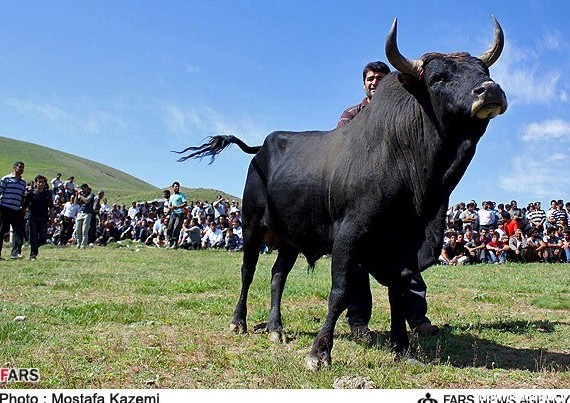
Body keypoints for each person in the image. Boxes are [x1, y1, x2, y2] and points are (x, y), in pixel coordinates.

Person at [336, 61, 438, 339]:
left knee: (408, 258)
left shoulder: (406, 110)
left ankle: (418, 319)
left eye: (380, 77)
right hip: (362, 201)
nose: (375, 81)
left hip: (397, 200)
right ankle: (358, 324)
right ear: (364, 83)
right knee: (356, 263)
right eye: (370, 78)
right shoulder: (351, 114)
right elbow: (342, 151)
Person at [0, 162, 26, 259]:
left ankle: (15, 253)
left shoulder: (23, 182)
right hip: (4, 208)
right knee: (1, 231)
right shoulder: (6, 179)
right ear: (14, 168)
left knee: (18, 232)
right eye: (20, 167)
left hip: (16, 210)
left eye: (23, 168)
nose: (21, 169)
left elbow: (22, 197)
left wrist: (22, 209)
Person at [24, 175, 54, 260]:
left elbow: (51, 207)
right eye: (39, 182)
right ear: (36, 183)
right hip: (33, 217)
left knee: (43, 238)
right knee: (33, 237)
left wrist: (52, 219)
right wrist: (22, 215)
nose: (41, 184)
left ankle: (34, 249)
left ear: (45, 183)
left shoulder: (48, 194)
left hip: (43, 218)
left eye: (42, 182)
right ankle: (33, 254)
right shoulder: (31, 193)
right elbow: (25, 206)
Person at [166, 182, 187, 248]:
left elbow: (185, 204)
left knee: (176, 228)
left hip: (180, 213)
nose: (177, 188)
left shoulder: (181, 195)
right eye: (175, 186)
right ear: (173, 188)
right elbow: (170, 205)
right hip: (173, 214)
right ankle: (169, 242)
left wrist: (177, 207)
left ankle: (174, 243)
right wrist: (167, 211)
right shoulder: (171, 196)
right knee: (170, 227)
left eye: (178, 186)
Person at [75, 183, 94, 248]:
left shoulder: (91, 194)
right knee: (78, 229)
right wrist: (77, 194)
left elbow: (86, 201)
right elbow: (75, 203)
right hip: (80, 212)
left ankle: (83, 245)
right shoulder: (81, 194)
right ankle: (78, 243)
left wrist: (80, 195)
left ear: (86, 188)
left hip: (87, 213)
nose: (82, 190)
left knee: (84, 230)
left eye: (82, 189)